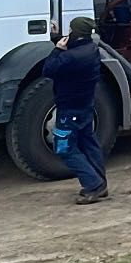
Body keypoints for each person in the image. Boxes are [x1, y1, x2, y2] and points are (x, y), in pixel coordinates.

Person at [33, 16, 108, 204]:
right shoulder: (91, 50)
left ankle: (93, 185)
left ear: (75, 32)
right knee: (89, 143)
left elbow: (48, 70)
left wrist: (57, 49)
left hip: (69, 111)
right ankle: (101, 183)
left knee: (64, 148)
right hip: (85, 106)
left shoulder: (70, 56)